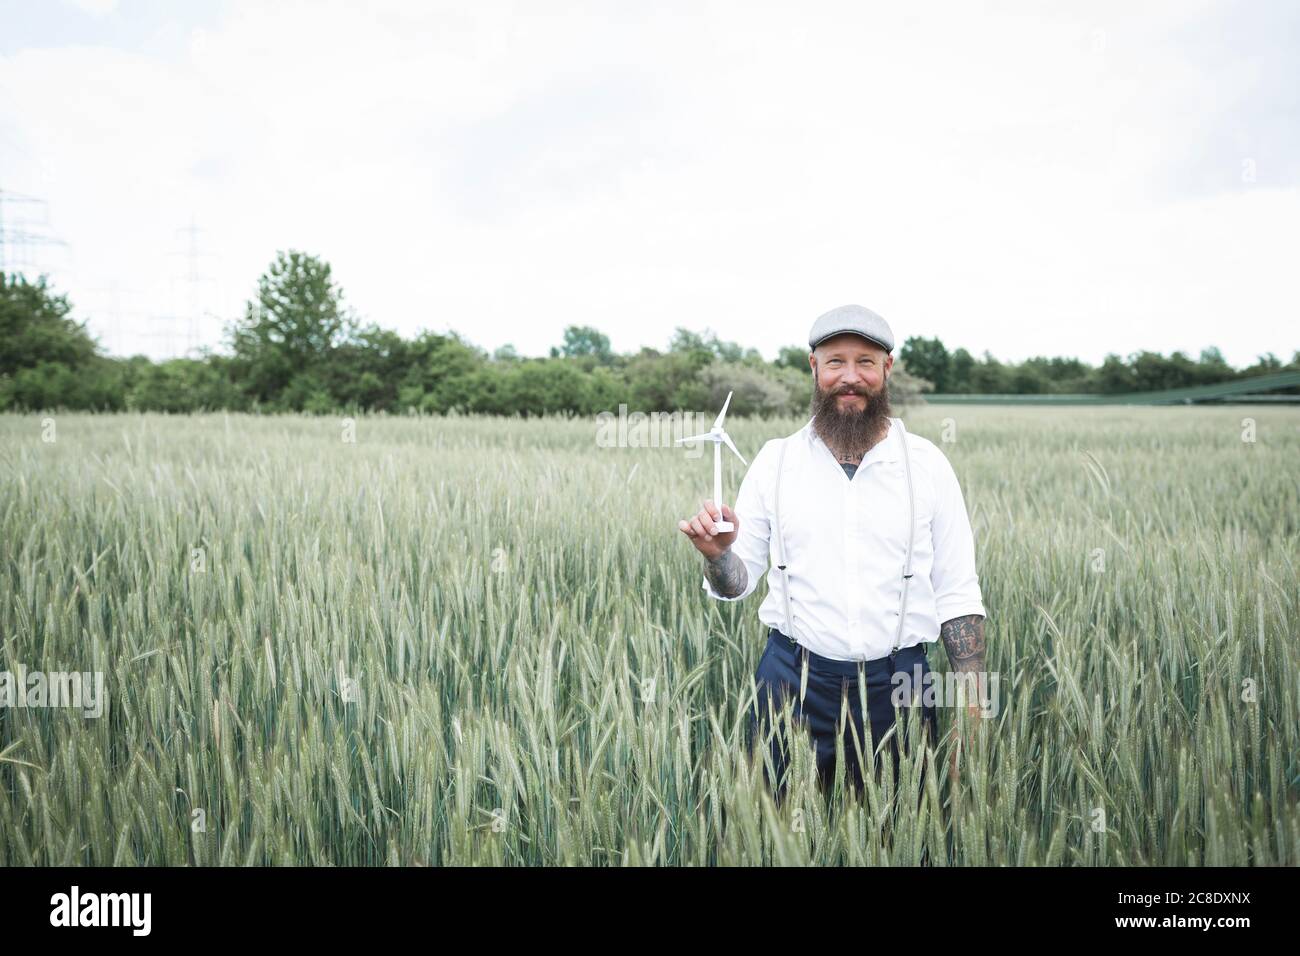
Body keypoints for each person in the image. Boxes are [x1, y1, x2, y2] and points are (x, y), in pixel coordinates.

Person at [677, 304, 989, 802]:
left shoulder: (927, 465)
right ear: (814, 368)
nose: (850, 377)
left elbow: (957, 594)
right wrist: (717, 556)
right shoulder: (776, 462)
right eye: (836, 362)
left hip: (904, 682)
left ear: (887, 369)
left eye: (865, 362)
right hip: (791, 681)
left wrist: (973, 714)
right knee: (775, 830)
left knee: (905, 838)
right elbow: (738, 582)